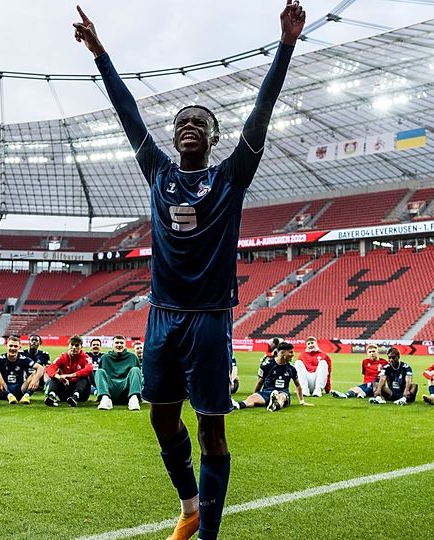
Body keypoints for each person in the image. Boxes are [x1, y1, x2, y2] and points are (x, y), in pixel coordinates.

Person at [74, 2, 305, 536]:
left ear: (214, 137)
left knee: (212, 432)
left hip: (208, 318)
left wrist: (287, 46)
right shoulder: (157, 172)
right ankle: (189, 505)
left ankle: (207, 533)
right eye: (182, 123)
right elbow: (127, 112)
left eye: (200, 123)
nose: (189, 127)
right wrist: (102, 54)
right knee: (160, 417)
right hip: (162, 315)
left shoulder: (230, 178)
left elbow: (261, 114)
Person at [233, 342, 312, 412]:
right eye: (290, 352)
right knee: (252, 398)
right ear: (282, 353)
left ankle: (275, 405)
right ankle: (237, 405)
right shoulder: (267, 365)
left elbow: (298, 385)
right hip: (267, 392)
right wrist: (255, 394)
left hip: (282, 392)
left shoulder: (291, 369)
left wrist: (302, 401)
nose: (292, 355)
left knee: (281, 398)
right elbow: (260, 382)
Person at [0, 336, 44, 404]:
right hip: (2, 391)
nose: (13, 348)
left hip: (20, 392)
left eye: (15, 346)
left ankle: (26, 396)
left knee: (35, 375)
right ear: (6, 346)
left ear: (19, 347)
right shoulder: (1, 358)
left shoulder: (23, 358)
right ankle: (9, 395)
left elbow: (40, 368)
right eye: (10, 346)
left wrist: (35, 380)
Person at [95, 336, 144, 411]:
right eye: (117, 342)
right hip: (110, 390)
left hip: (126, 390)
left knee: (136, 369)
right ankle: (105, 399)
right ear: (112, 345)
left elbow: (137, 377)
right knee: (99, 371)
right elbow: (102, 377)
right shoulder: (105, 358)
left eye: (121, 343)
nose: (119, 345)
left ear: (125, 345)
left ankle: (133, 398)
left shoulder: (133, 357)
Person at [44, 335, 93, 407]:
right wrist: (59, 377)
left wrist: (69, 375)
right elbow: (50, 368)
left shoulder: (85, 357)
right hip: (65, 391)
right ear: (68, 346)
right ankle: (52, 396)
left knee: (84, 377)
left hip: (82, 394)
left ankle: (75, 397)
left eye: (77, 345)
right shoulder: (63, 357)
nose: (74, 348)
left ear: (81, 347)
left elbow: (89, 369)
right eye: (72, 345)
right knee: (55, 376)